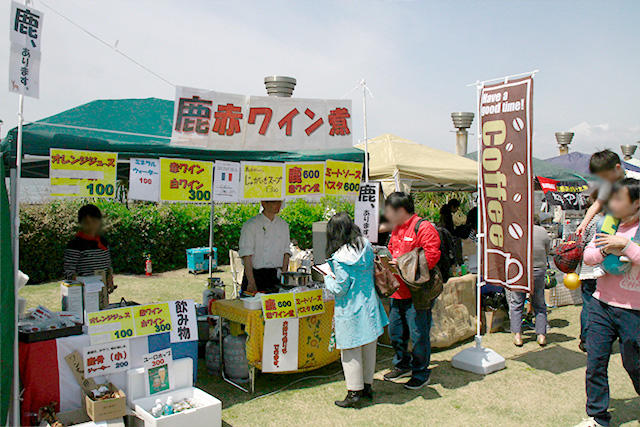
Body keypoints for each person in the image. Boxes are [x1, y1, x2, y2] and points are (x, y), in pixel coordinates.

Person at [578, 178, 640, 427]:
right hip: (601, 304)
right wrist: (606, 249)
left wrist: (625, 246)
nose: (611, 204)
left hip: (634, 310)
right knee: (595, 363)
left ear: (636, 203)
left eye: (617, 200)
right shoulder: (608, 224)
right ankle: (597, 416)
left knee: (634, 365)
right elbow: (589, 256)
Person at [323, 212, 389, 408]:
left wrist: (327, 276)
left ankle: (354, 393)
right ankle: (367, 386)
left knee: (350, 352)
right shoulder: (366, 246)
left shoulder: (340, 258)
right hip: (370, 305)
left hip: (350, 310)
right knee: (369, 347)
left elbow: (339, 289)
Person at [382, 192, 441, 390]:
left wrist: (402, 263)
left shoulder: (423, 227)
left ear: (400, 210)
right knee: (396, 332)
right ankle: (402, 364)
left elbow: (431, 258)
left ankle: (421, 373)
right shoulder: (397, 228)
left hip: (417, 293)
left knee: (418, 335)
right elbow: (392, 249)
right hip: (397, 290)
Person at [507, 214, 550, 347]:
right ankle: (541, 335)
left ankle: (518, 335)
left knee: (516, 303)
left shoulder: (516, 231)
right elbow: (547, 250)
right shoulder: (543, 232)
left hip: (520, 270)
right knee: (539, 303)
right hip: (538, 270)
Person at [238, 200, 291, 294]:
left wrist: (284, 277)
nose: (278, 205)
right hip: (255, 275)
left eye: (280, 202)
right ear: (263, 203)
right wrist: (251, 282)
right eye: (274, 202)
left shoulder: (283, 225)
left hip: (276, 276)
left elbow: (286, 253)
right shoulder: (251, 225)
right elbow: (246, 255)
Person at [63, 204, 115, 293]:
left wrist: (110, 279)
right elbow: (69, 272)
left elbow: (108, 266)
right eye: (87, 221)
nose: (91, 223)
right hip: (84, 293)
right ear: (81, 222)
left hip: (102, 292)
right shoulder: (75, 244)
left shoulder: (103, 241)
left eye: (94, 220)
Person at [576, 150, 626, 236]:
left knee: (601, 224)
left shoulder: (633, 182)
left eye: (604, 176)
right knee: (598, 225)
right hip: (615, 221)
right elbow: (597, 204)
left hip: (630, 222)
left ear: (617, 168)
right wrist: (584, 223)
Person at [578, 189, 602, 352]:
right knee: (602, 306)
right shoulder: (611, 221)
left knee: (588, 304)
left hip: (588, 269)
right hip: (604, 270)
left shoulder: (590, 222)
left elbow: (581, 243)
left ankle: (586, 340)